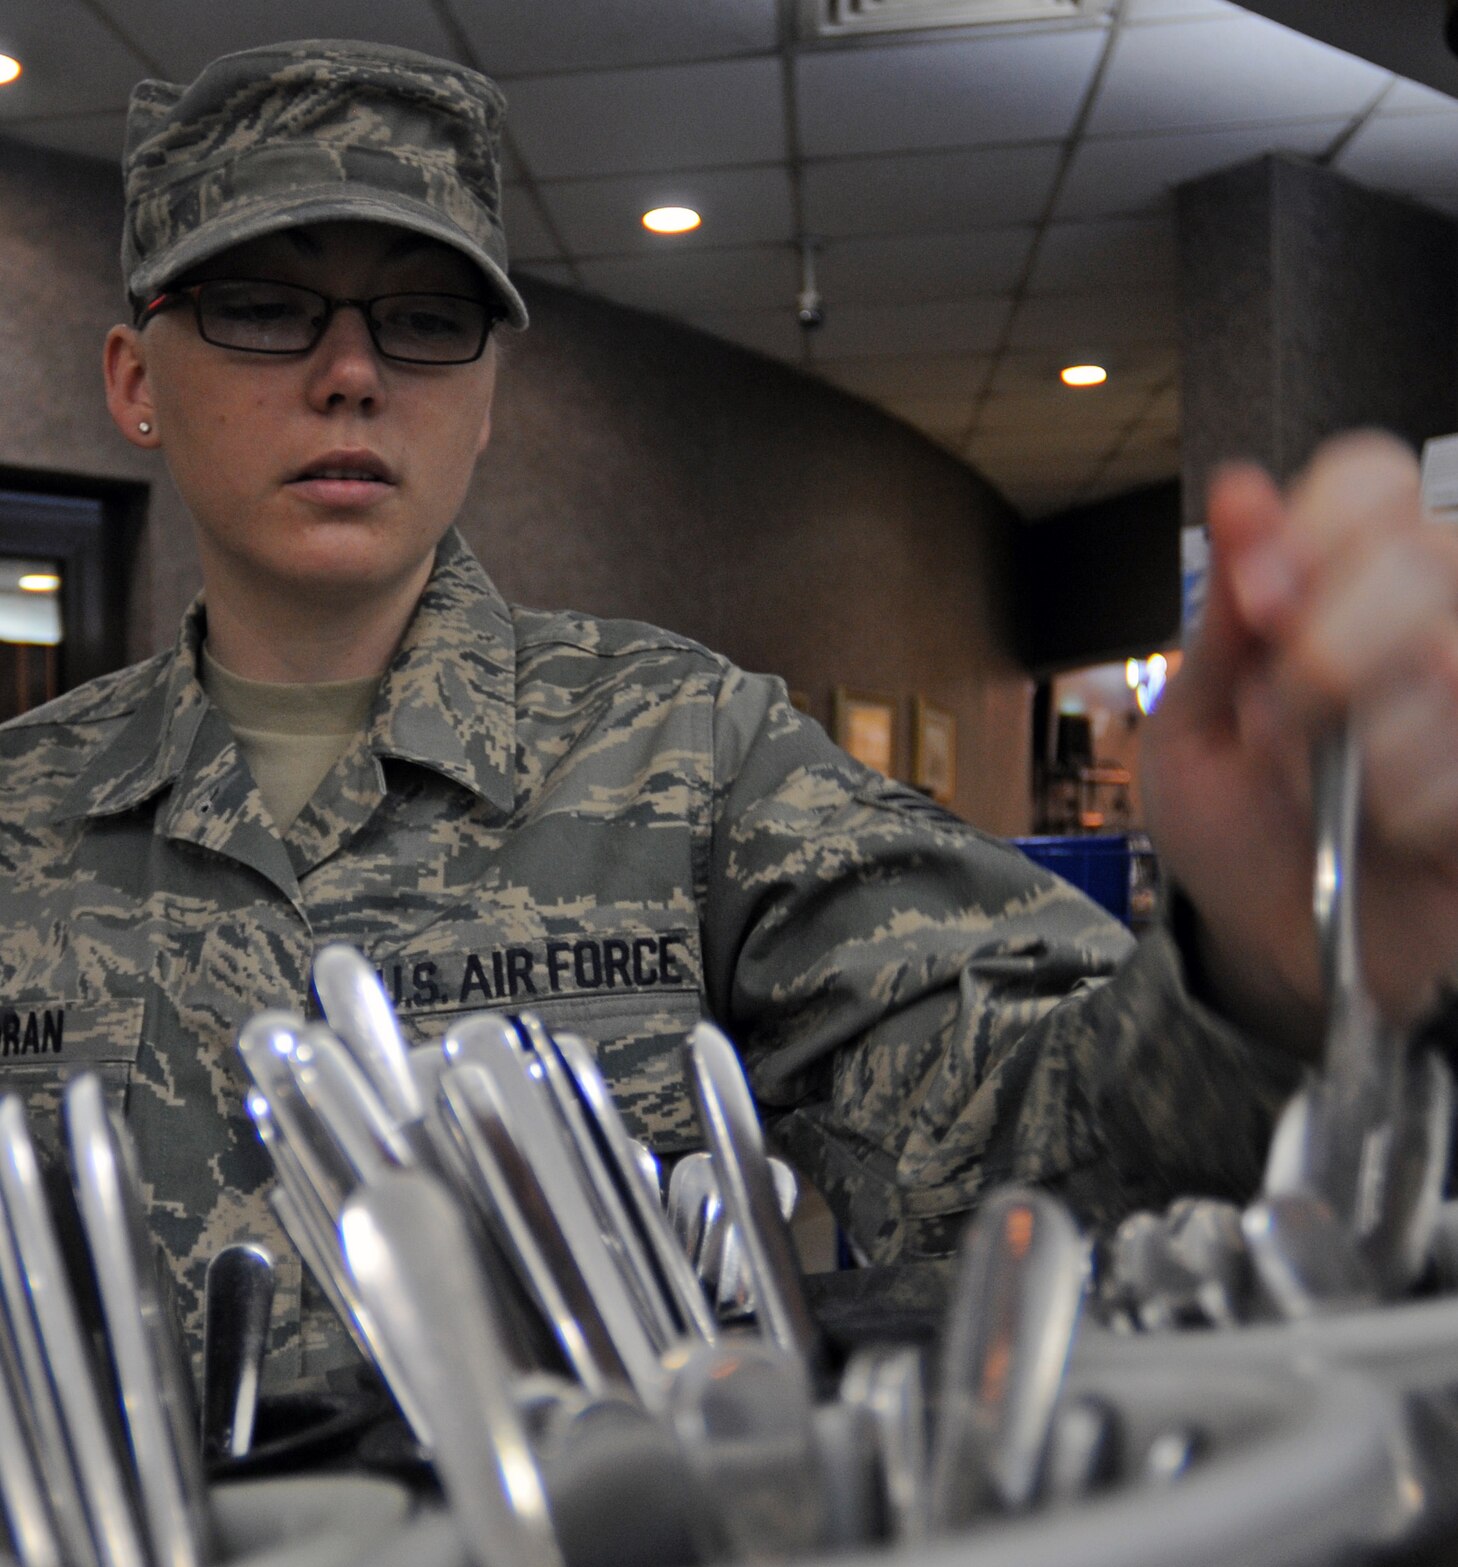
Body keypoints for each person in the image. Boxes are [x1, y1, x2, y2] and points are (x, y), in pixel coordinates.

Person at [2, 38, 1456, 1388]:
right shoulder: (21, 821)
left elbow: (1043, 1152)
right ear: (135, 377)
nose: (351, 373)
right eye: (261, 307)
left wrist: (1264, 968)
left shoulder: (686, 757)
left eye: (426, 319)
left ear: (488, 398)